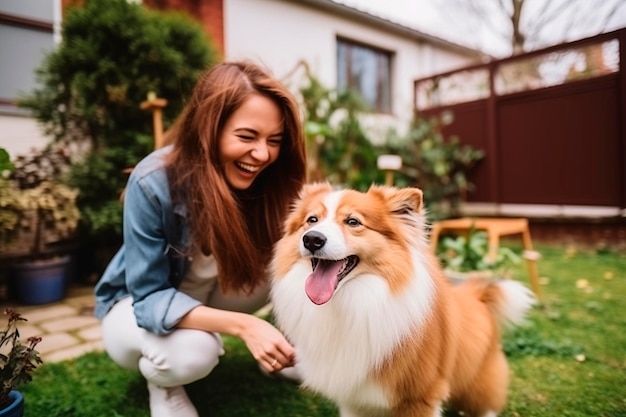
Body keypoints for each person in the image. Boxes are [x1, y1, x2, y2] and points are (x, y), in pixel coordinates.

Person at [94, 60, 307, 417]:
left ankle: (280, 349)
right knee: (194, 353)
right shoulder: (152, 182)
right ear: (209, 129)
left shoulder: (271, 181)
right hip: (136, 306)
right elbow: (148, 301)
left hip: (212, 291)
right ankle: (164, 385)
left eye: (274, 141)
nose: (262, 155)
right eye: (246, 136)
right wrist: (245, 326)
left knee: (300, 263)